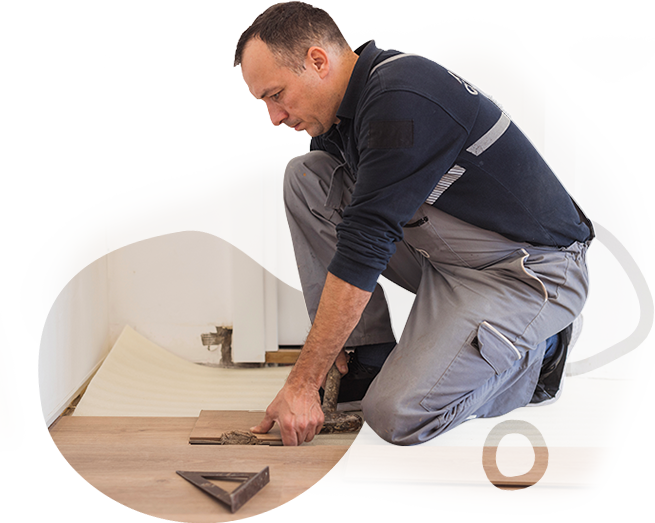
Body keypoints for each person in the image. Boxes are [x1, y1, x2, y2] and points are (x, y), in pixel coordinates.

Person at [233, 2, 594, 446]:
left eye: (275, 94)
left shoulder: (401, 98)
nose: (275, 116)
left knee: (396, 415)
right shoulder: (345, 112)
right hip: (447, 261)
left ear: (317, 62)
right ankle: (371, 358)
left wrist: (303, 383)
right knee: (307, 176)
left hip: (527, 273)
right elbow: (353, 226)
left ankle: (539, 355)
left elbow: (365, 245)